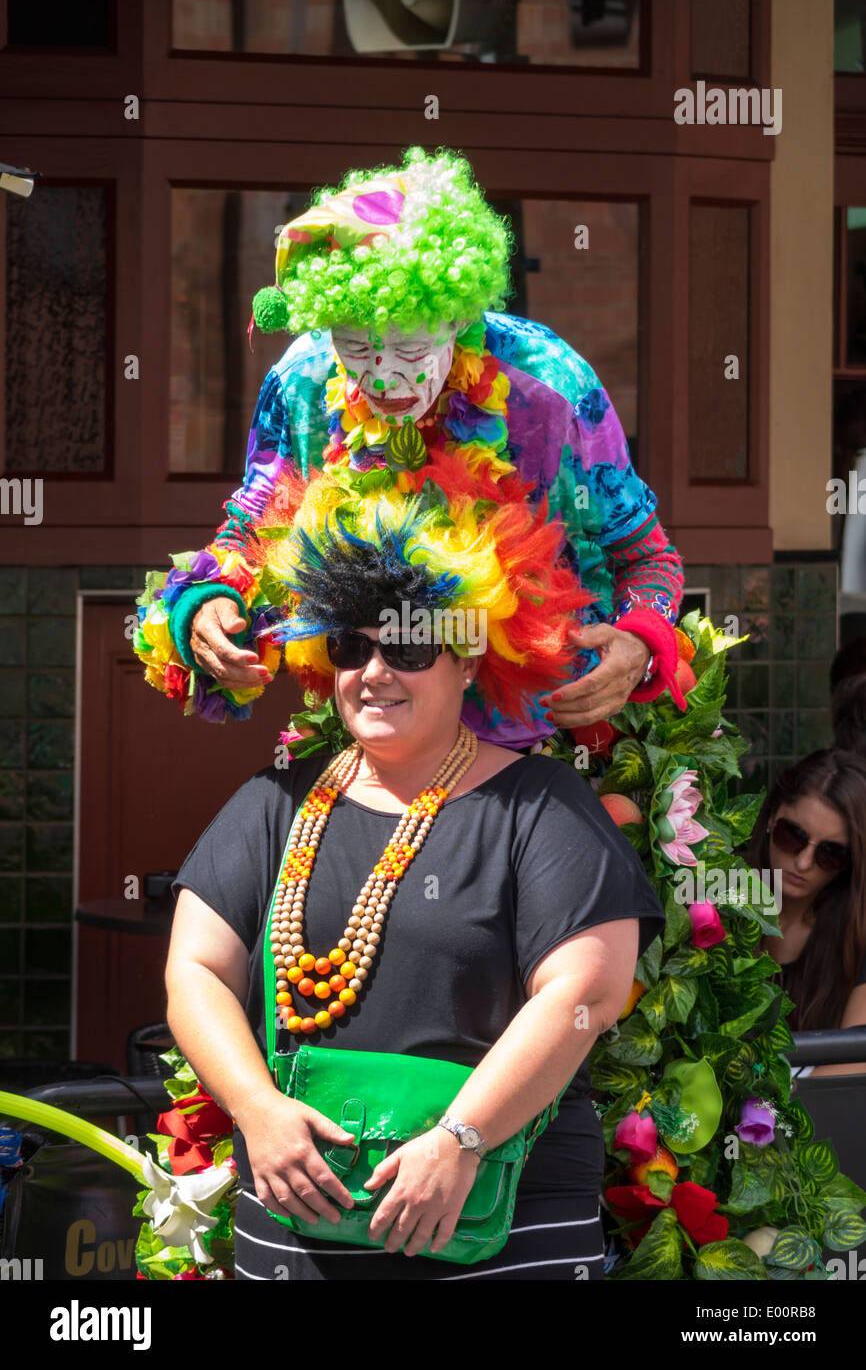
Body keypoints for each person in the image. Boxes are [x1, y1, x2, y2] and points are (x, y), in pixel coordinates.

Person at [163, 478, 667, 1280]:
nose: (373, 672)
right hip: (301, 1216)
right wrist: (256, 1109)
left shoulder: (542, 806)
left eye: (406, 647)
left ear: (467, 660)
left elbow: (585, 996)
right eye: (349, 647)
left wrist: (460, 1139)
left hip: (502, 1217)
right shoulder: (271, 805)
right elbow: (193, 973)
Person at [135, 147, 686, 749]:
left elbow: (647, 558)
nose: (386, 380)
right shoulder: (302, 382)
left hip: (545, 737)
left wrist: (640, 639)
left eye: (410, 350)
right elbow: (252, 531)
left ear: (457, 317)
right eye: (358, 348)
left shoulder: (550, 389)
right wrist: (209, 602)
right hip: (378, 731)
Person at [749, 748, 866, 1076]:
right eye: (793, 836)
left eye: (830, 853)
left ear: (851, 862)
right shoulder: (719, 902)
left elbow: (854, 1060)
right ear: (772, 817)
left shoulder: (857, 932)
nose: (803, 863)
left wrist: (766, 1116)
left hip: (819, 1119)